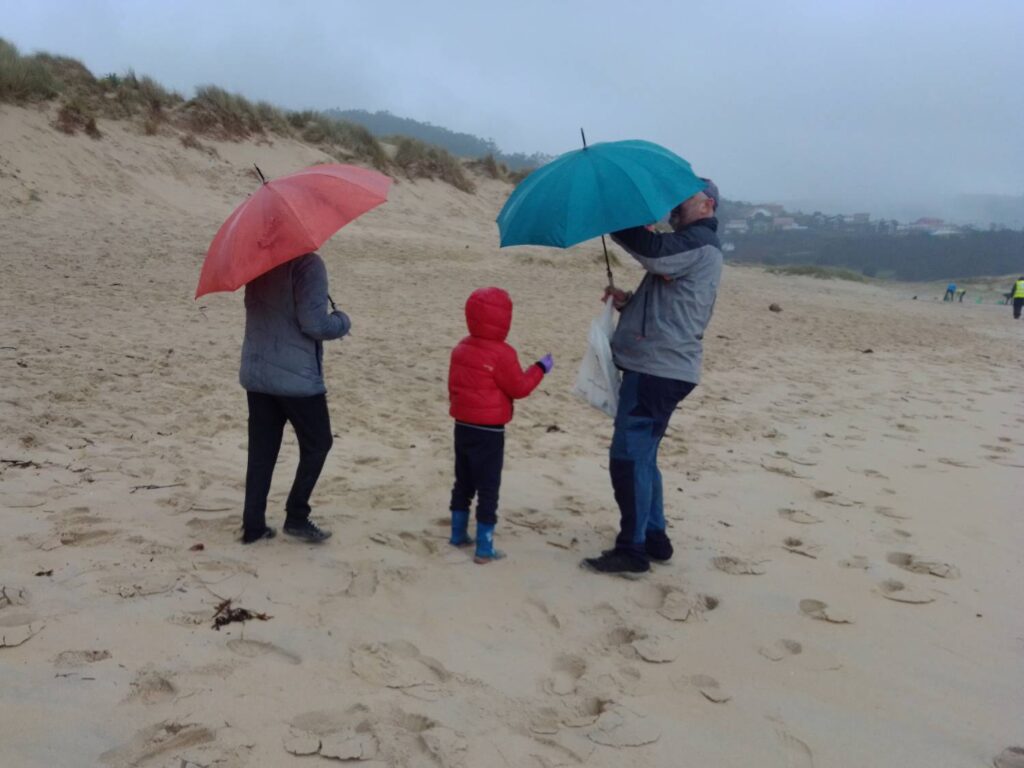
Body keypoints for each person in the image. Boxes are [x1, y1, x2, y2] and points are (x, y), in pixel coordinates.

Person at [582, 179, 724, 574]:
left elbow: (655, 252)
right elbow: (672, 299)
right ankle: (655, 537)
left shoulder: (698, 242)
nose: (676, 206)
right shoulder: (693, 245)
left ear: (707, 205)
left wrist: (614, 219)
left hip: (658, 369)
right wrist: (630, 302)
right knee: (643, 456)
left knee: (627, 457)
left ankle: (633, 548)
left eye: (686, 199)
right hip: (661, 366)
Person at [239, 253, 350, 544]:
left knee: (262, 451)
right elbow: (315, 325)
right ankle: (297, 515)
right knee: (319, 443)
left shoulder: (257, 262)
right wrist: (341, 321)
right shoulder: (307, 264)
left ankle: (253, 525)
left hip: (258, 372)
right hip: (297, 379)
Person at [447, 287, 552, 563]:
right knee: (488, 486)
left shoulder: (461, 348)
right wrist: (540, 368)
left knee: (464, 480)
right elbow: (519, 388)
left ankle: (458, 534)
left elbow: (454, 387)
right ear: (505, 320)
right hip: (490, 431)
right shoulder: (503, 353)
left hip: (463, 425)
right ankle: (484, 547)